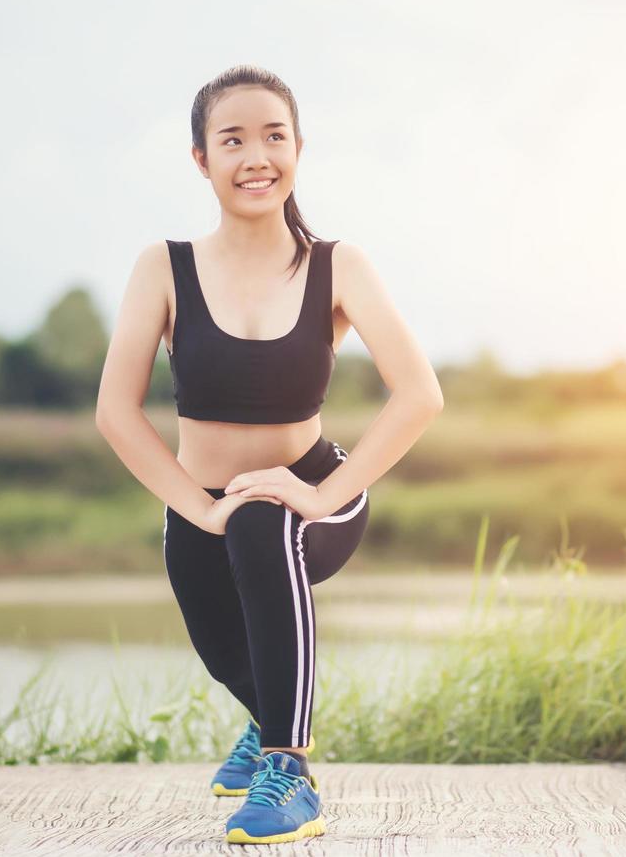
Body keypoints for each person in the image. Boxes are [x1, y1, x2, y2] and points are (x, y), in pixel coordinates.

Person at [95, 64, 444, 845]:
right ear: (201, 159)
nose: (256, 155)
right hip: (203, 502)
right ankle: (263, 721)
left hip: (316, 495)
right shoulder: (165, 266)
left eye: (273, 137)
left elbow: (419, 394)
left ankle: (288, 771)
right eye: (233, 139)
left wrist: (320, 494)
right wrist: (198, 507)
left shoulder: (336, 265)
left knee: (262, 519)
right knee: (222, 644)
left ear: (298, 149)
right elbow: (115, 412)